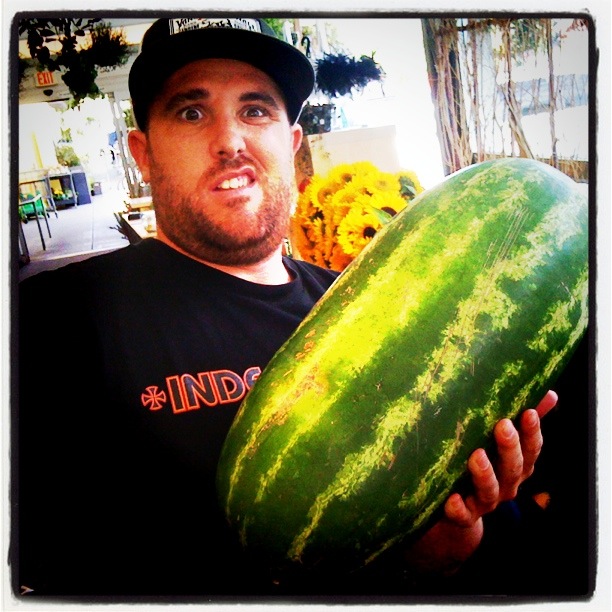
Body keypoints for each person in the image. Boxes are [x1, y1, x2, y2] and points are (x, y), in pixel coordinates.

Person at [13, 17, 564, 600]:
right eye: (191, 112)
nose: (230, 141)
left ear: (293, 145)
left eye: (255, 111)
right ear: (143, 154)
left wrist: (444, 546)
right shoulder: (51, 321)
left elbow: (436, 562)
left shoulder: (375, 309)